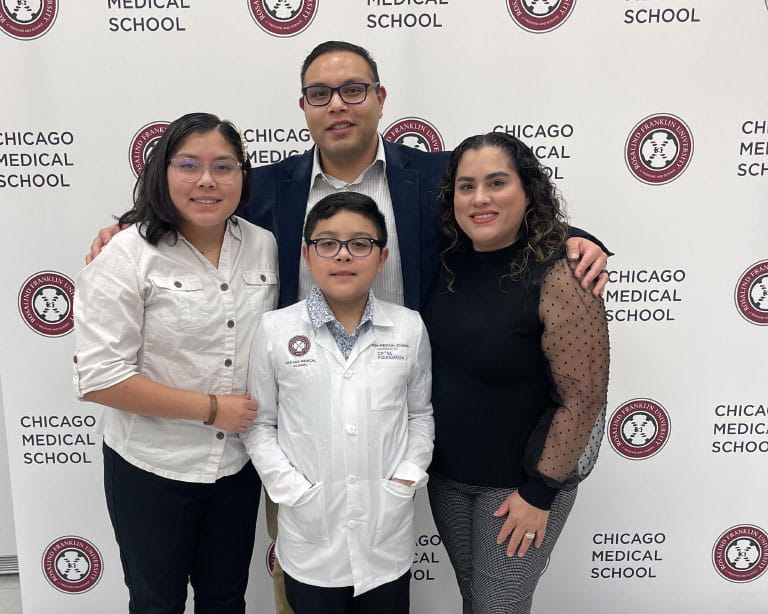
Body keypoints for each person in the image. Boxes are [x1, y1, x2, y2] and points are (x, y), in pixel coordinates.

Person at [85, 41, 611, 614]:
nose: (337, 105)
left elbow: (501, 206)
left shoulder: (436, 174)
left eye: (353, 90)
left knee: (401, 585)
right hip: (298, 435)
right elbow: (192, 199)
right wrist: (127, 225)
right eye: (320, 94)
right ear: (305, 107)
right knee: (299, 585)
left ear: (380, 98)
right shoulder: (264, 188)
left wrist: (579, 240)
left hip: (401, 424)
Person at [73, 112, 279, 613]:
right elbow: (100, 378)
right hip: (151, 467)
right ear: (163, 172)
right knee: (156, 602)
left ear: (242, 177)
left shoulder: (263, 245)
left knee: (226, 598)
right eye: (189, 165)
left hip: (236, 466)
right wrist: (211, 409)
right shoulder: (126, 253)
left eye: (224, 167)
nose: (207, 180)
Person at [421, 132, 610, 614]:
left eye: (496, 182)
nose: (479, 198)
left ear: (528, 191)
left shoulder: (564, 274)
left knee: (499, 606)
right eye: (466, 186)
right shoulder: (446, 261)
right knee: (475, 601)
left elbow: (583, 398)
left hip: (521, 485)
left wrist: (539, 492)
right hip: (449, 477)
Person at [242, 192, 434, 614]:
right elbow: (259, 424)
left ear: (381, 257)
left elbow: (420, 414)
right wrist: (292, 491)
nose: (343, 256)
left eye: (359, 244)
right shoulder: (275, 329)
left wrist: (405, 478)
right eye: (327, 243)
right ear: (308, 256)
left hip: (385, 535)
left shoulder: (407, 328)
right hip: (311, 534)